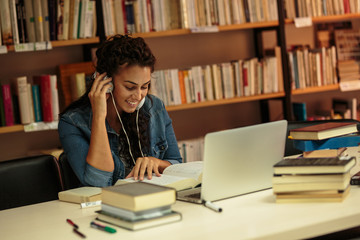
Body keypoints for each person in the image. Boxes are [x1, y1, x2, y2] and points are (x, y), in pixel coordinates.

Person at [58, 34, 182, 187]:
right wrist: (99, 116)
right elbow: (98, 183)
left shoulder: (154, 108)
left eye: (144, 86)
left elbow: (179, 167)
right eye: (130, 87)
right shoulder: (72, 123)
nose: (138, 96)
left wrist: (156, 162)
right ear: (105, 81)